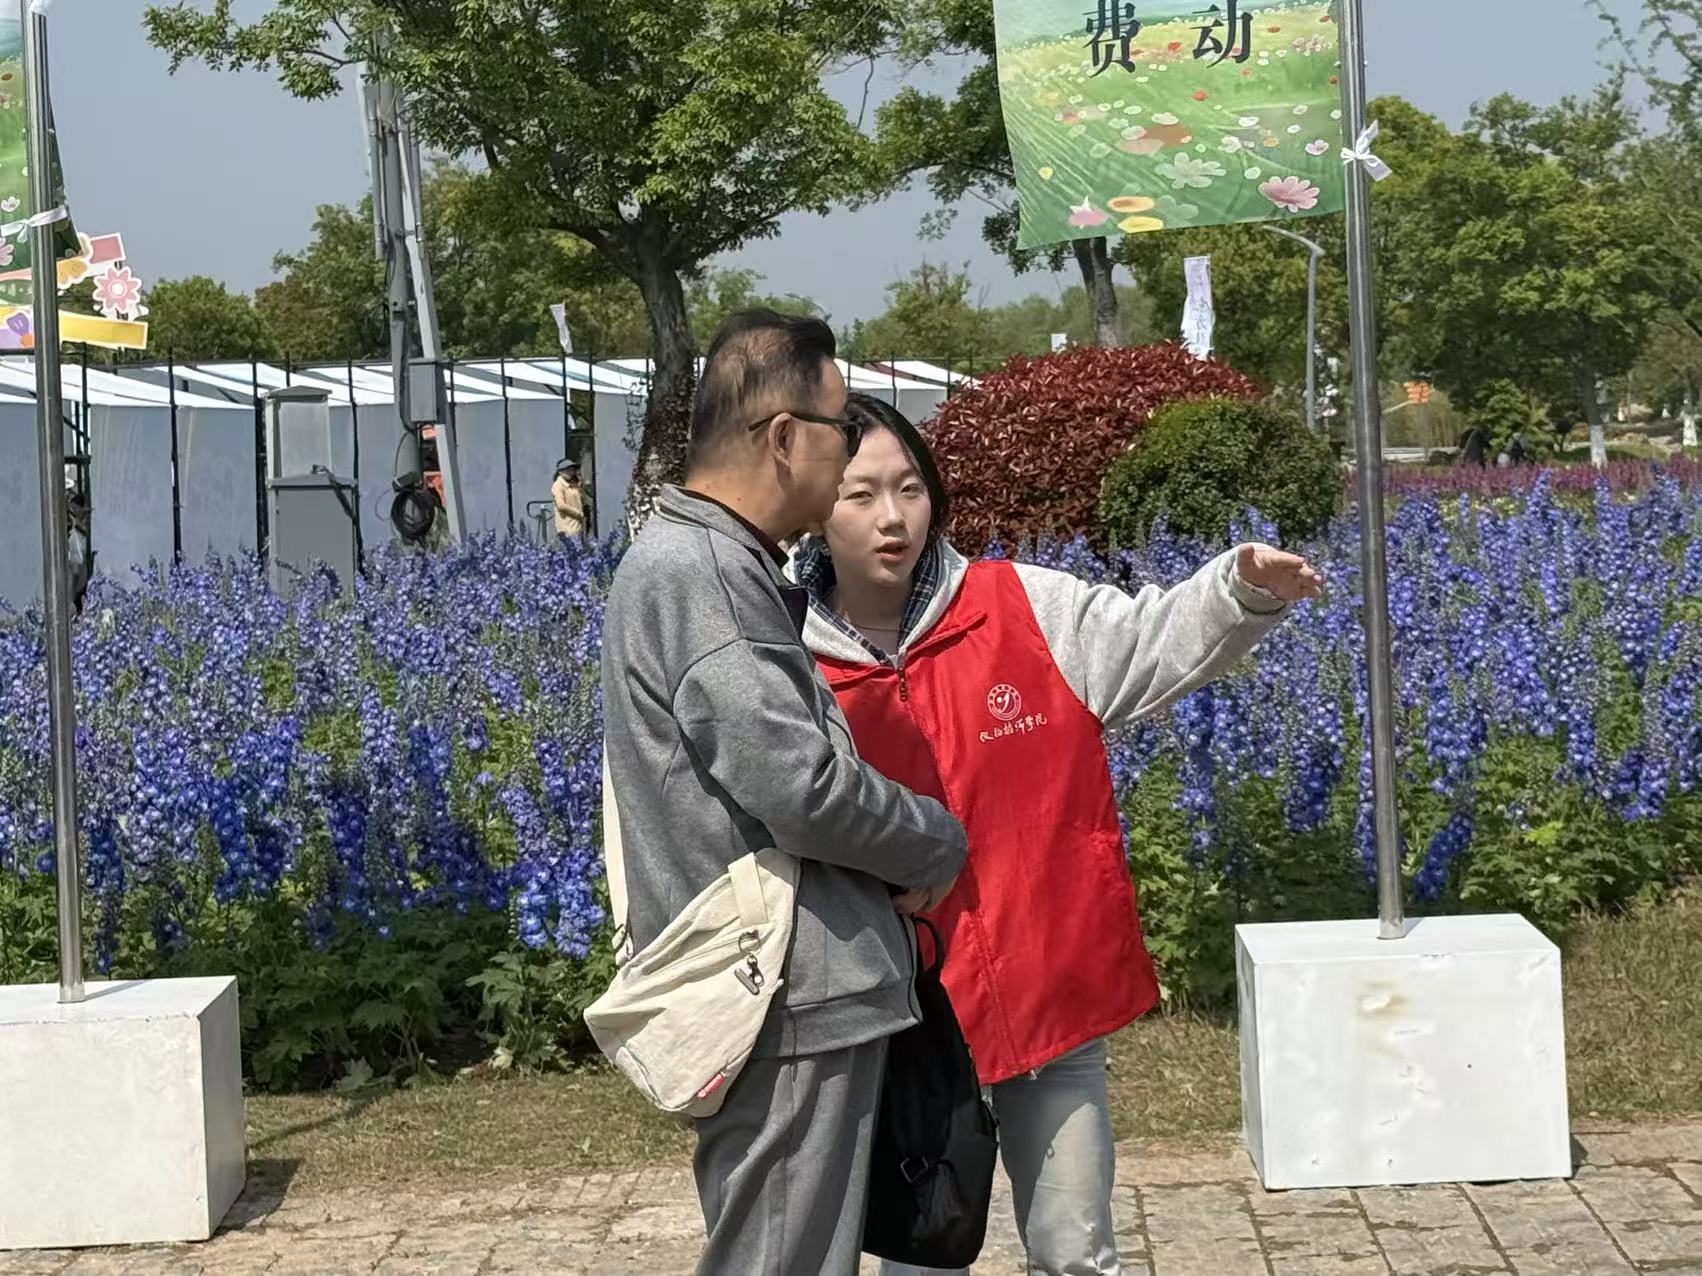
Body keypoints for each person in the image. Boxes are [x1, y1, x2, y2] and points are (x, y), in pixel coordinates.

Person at [794, 394, 1322, 1276]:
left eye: (910, 488)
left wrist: (1236, 589)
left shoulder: (1019, 605)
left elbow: (1148, 640)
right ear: (816, 507)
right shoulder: (788, 661)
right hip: (903, 1025)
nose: (892, 517)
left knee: (1075, 1254)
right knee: (920, 1263)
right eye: (860, 495)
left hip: (1051, 995)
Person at [599, 314, 968, 1275]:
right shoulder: (705, 575)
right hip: (784, 997)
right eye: (842, 428)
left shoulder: (707, 561)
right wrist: (933, 840)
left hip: (778, 991)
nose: (850, 449)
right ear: (784, 437)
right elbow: (798, 786)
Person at [552, 457, 592, 541]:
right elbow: (561, 506)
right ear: (560, 472)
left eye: (572, 470)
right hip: (567, 528)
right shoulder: (558, 485)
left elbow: (581, 500)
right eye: (567, 470)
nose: (571, 472)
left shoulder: (574, 485)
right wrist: (579, 514)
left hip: (577, 527)